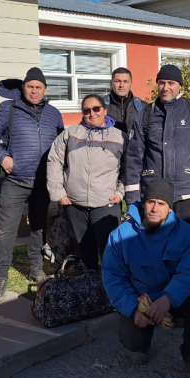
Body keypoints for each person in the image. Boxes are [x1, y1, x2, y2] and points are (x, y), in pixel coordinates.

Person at [102, 180, 190, 378]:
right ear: (143, 203)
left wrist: (168, 299)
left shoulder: (188, 235)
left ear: (170, 207)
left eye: (161, 203)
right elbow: (113, 277)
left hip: (171, 298)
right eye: (150, 201)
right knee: (133, 344)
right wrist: (133, 309)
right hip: (139, 299)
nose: (154, 208)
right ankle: (142, 344)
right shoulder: (120, 235)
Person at [0, 67, 64, 302]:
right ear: (23, 87)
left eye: (39, 87)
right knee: (6, 230)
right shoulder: (8, 108)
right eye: (30, 87)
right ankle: (0, 277)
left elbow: (61, 144)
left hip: (42, 182)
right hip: (14, 181)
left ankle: (36, 268)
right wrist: (2, 157)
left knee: (39, 227)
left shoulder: (53, 114)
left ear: (45, 90)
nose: (34, 91)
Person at [126, 64, 190, 223]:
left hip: (185, 192)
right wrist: (132, 196)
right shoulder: (144, 115)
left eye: (170, 83)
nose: (165, 87)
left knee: (181, 241)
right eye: (161, 83)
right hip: (154, 194)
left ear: (179, 85)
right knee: (154, 242)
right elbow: (134, 158)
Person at [47, 94, 125, 270]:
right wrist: (58, 193)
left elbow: (129, 168)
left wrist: (121, 192)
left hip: (106, 204)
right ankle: (89, 285)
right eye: (87, 110)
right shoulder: (70, 134)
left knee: (109, 251)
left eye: (96, 109)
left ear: (105, 110)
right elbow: (54, 161)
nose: (92, 113)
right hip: (76, 204)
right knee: (85, 250)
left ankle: (110, 288)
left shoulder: (119, 137)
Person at [104, 67, 146, 136]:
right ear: (111, 83)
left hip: (133, 146)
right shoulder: (100, 106)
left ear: (131, 83)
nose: (121, 85)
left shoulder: (142, 107)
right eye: (117, 81)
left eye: (125, 81)